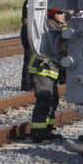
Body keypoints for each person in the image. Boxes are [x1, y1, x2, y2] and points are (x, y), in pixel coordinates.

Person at [28, 9, 68, 142]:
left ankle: (47, 128)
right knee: (45, 99)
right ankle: (38, 132)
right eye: (60, 13)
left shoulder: (61, 26)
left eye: (64, 13)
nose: (63, 15)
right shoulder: (50, 26)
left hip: (51, 70)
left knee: (53, 99)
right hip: (42, 69)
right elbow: (63, 38)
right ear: (52, 14)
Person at [19, 0, 34, 92]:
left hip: (36, 32)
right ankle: (26, 85)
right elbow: (26, 20)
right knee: (29, 57)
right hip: (29, 32)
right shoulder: (30, 1)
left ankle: (34, 83)